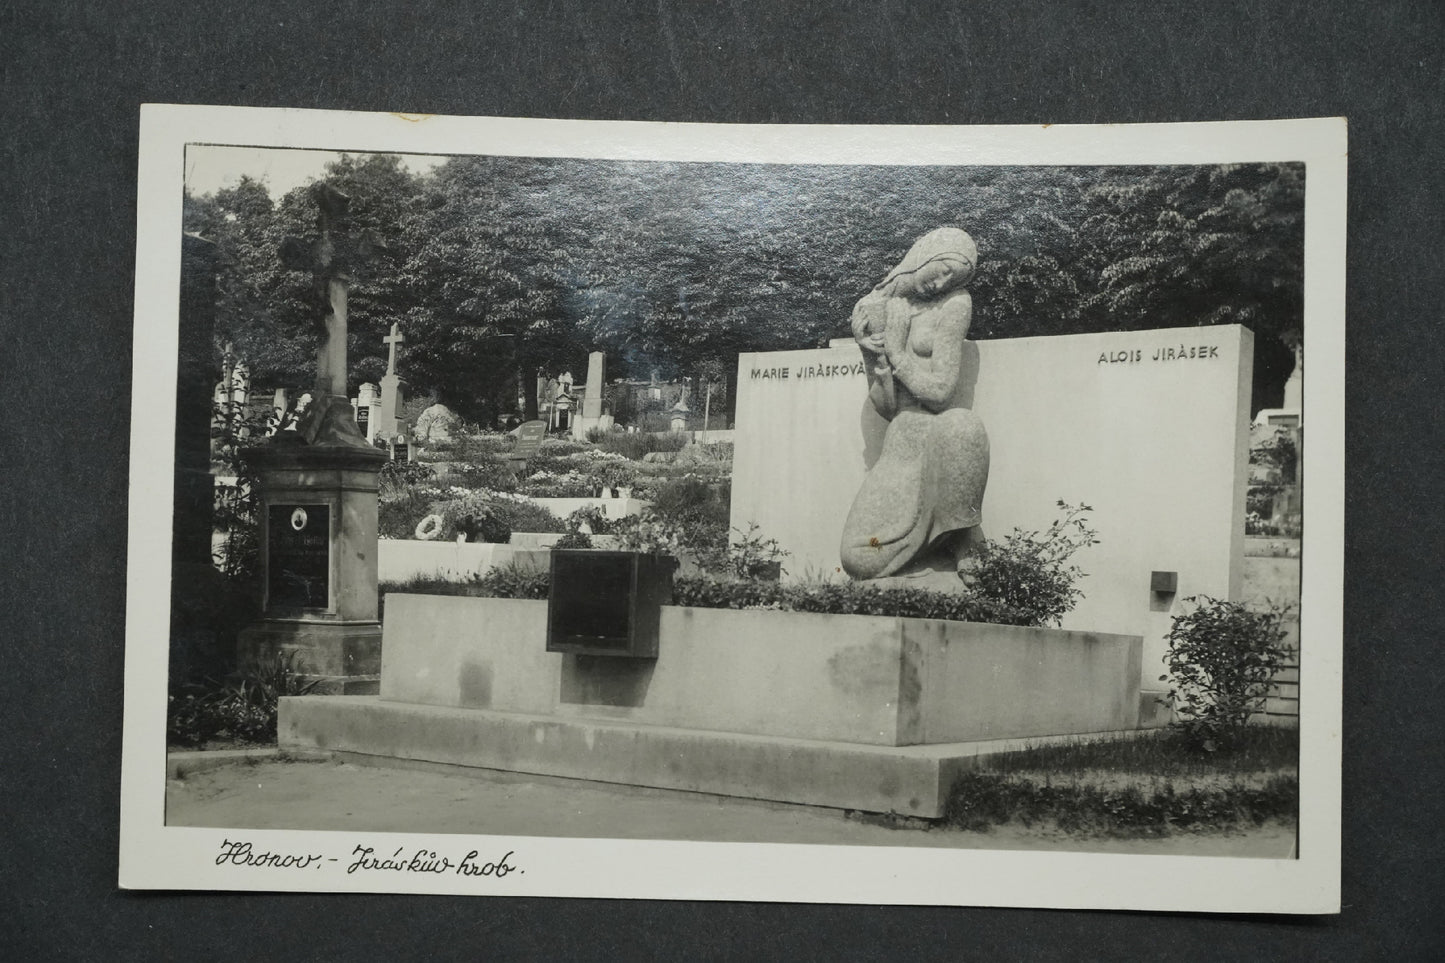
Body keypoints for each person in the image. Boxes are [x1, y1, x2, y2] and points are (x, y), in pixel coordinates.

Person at [839, 228, 990, 582]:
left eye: (952, 277)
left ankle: (959, 537)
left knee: (963, 425)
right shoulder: (883, 306)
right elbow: (885, 405)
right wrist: (870, 353)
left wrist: (897, 352)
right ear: (922, 258)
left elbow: (940, 393)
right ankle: (933, 542)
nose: (940, 282)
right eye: (940, 269)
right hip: (901, 445)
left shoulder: (955, 303)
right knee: (858, 556)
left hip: (938, 437)